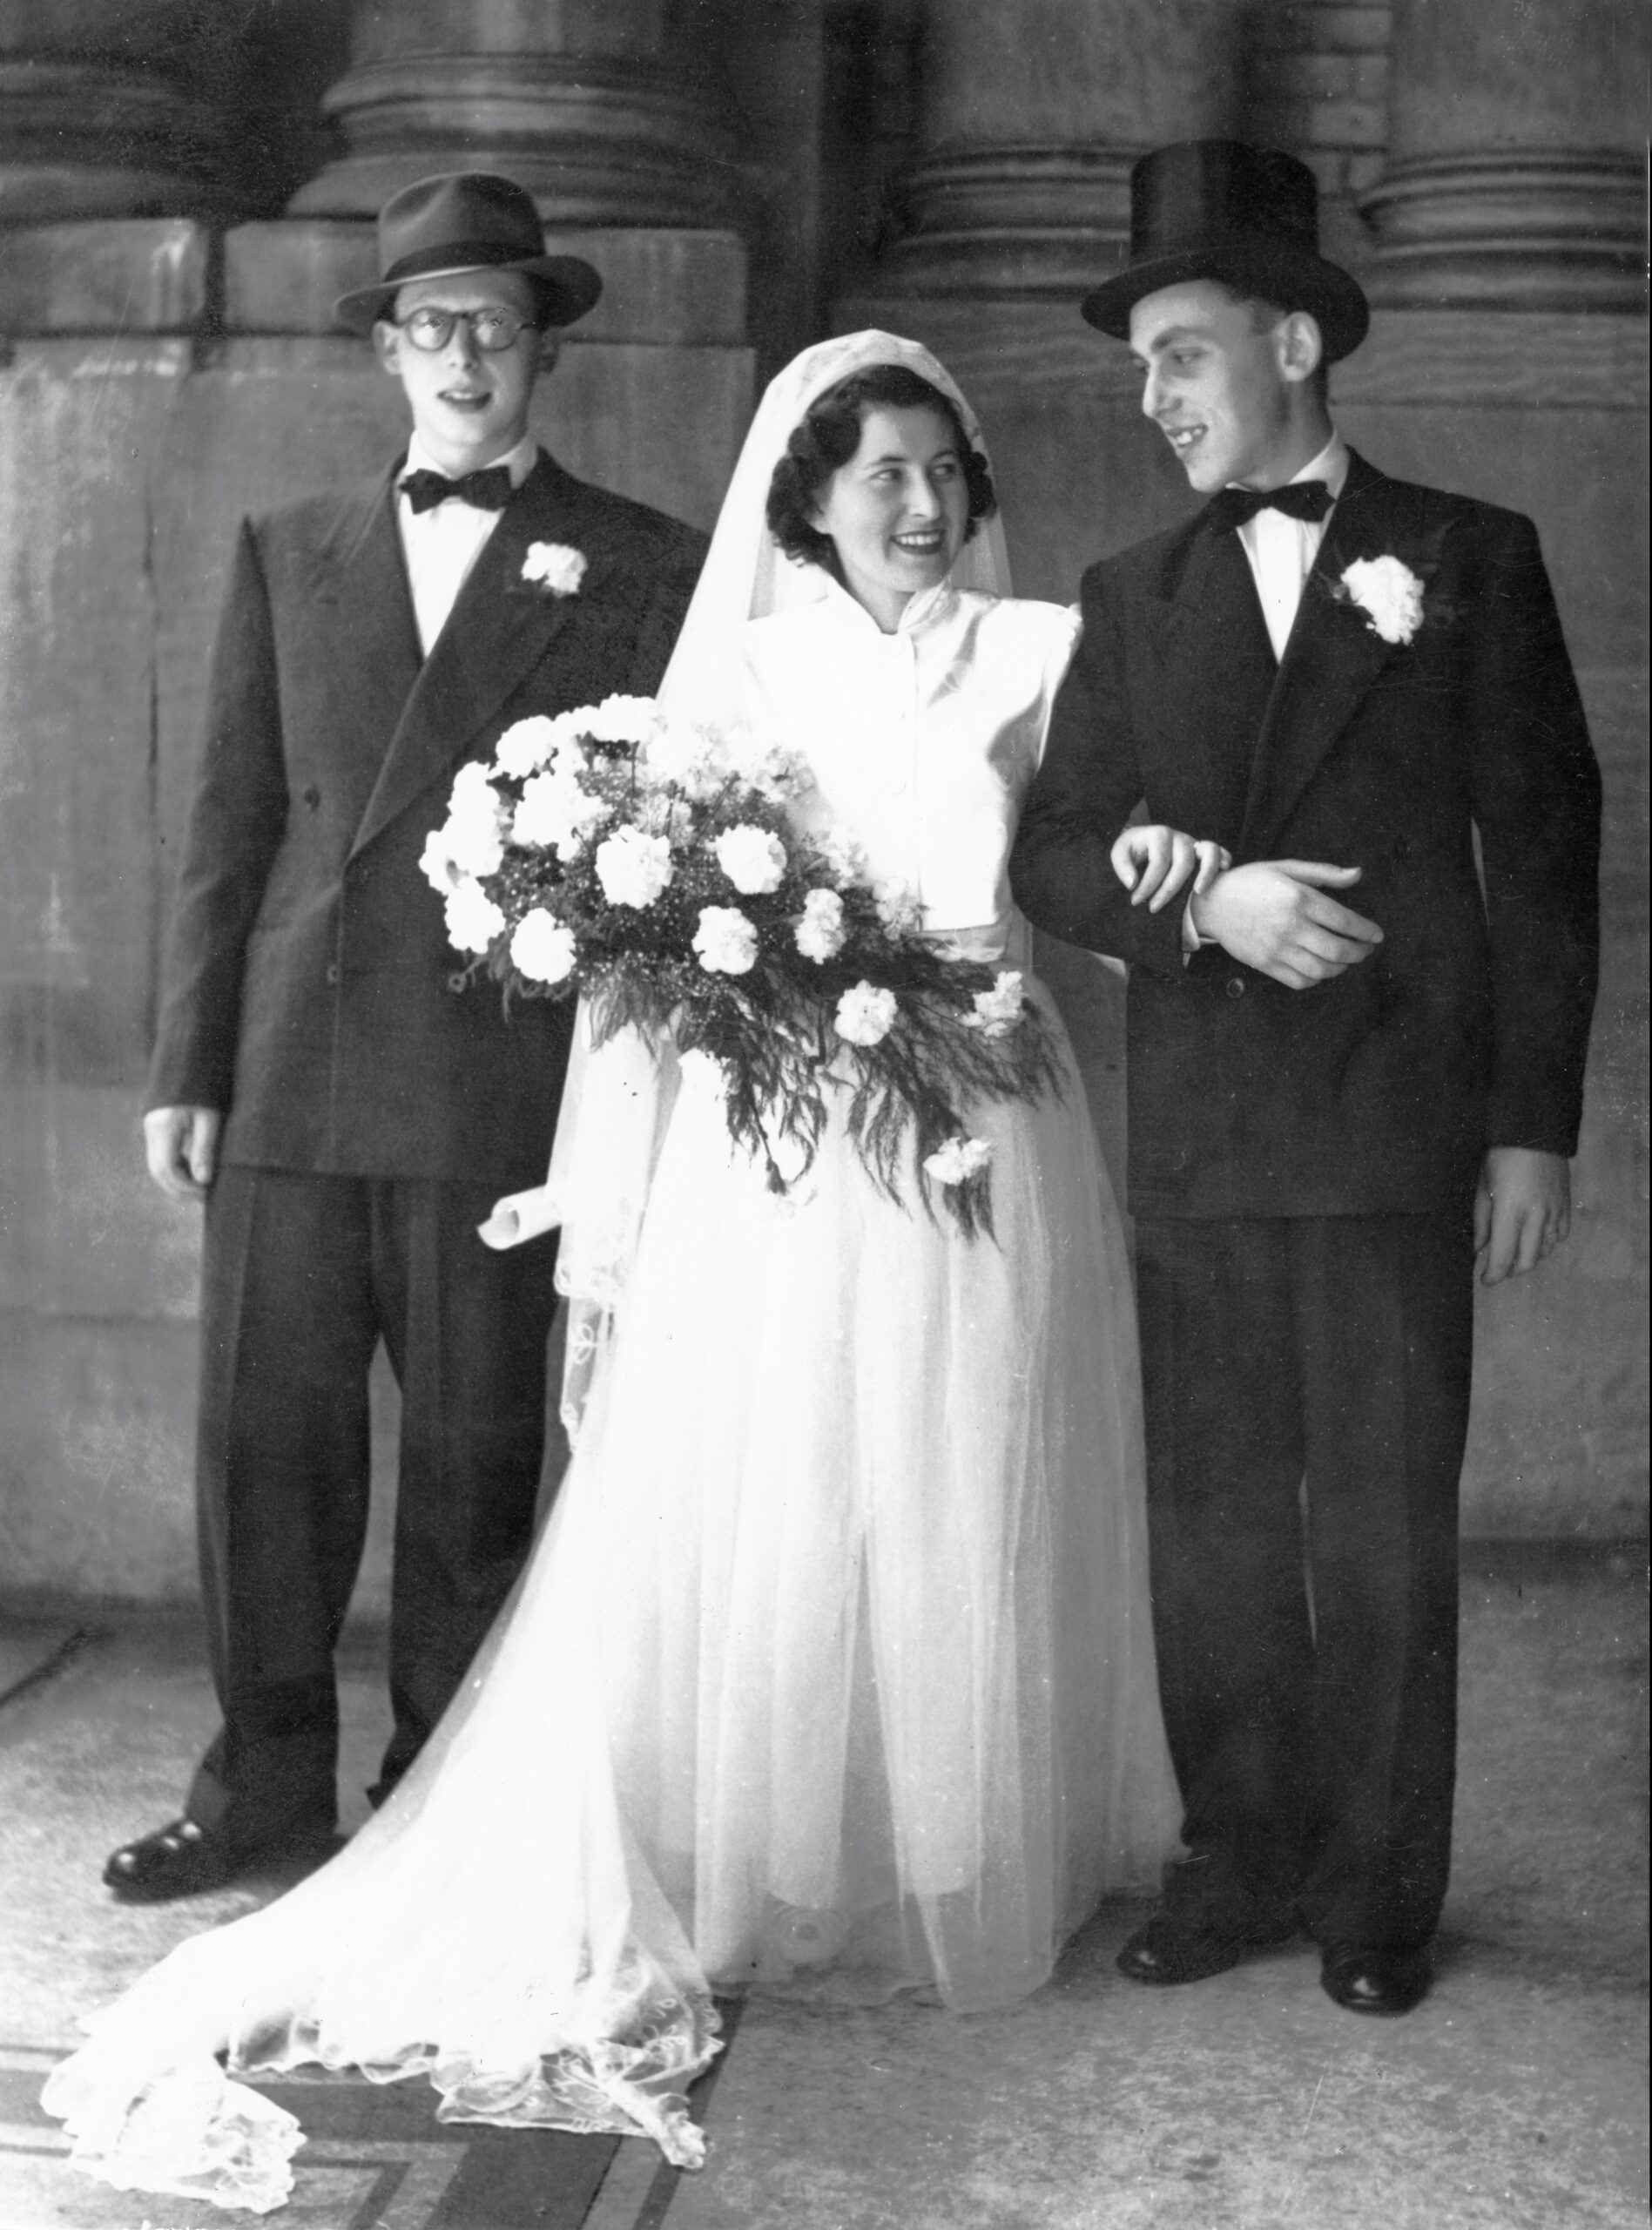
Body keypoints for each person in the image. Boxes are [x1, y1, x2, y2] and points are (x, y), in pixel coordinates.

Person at [45, 331, 1187, 2209]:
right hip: (799, 1142)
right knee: (788, 1483)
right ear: (805, 494)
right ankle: (764, 1850)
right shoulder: (734, 668)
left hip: (996, 1116)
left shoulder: (1041, 650)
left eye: (940, 468)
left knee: (974, 1464)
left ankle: (945, 1837)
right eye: (876, 468)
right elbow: (661, 954)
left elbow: (1079, 865)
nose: (915, 502)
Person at [1009, 140, 1601, 2018]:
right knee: (1212, 1533)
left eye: (1180, 350)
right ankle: (1232, 1860)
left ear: (1288, 341)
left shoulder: (1466, 559)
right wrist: (1207, 910)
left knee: (1378, 1532)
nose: (1155, 393)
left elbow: (1550, 860)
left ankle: (1376, 1894)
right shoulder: (1129, 588)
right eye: (1141, 366)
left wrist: (1529, 1124)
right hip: (1200, 1143)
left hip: (1396, 1137)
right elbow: (1051, 854)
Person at [105, 170, 707, 1905]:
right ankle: (260, 1788)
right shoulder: (289, 546)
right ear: (385, 350)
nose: (461, 353)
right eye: (431, 325)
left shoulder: (642, 562)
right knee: (265, 1449)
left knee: (469, 1462)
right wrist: (187, 1065)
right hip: (293, 1068)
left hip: (493, 1083)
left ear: (540, 360)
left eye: (495, 329)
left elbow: (653, 848)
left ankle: (446, 1806)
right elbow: (231, 822)